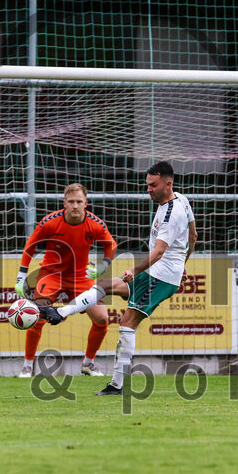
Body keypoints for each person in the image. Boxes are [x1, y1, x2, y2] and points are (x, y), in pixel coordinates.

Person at [39, 162, 197, 396]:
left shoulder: (172, 213)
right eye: (147, 185)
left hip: (160, 276)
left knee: (127, 322)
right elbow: (193, 235)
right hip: (158, 272)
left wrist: (136, 269)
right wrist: (183, 264)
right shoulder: (181, 199)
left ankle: (116, 385)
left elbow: (159, 252)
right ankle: (60, 313)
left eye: (153, 185)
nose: (148, 190)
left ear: (168, 183)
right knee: (104, 285)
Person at [15, 183, 117, 377]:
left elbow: (111, 245)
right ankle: (27, 366)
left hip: (80, 278)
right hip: (51, 275)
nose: (75, 206)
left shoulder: (95, 224)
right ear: (65, 204)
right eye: (71, 202)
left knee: (102, 319)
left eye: (79, 201)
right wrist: (21, 276)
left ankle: (89, 363)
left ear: (86, 203)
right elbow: (30, 246)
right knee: (36, 315)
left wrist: (104, 265)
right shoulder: (50, 222)